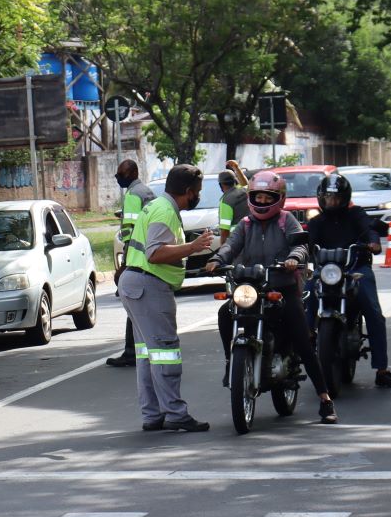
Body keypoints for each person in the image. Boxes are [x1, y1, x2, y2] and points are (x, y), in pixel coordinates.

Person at [204, 171, 338, 424]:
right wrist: (217, 259)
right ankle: (230, 361)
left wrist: (294, 258)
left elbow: (300, 245)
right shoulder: (245, 224)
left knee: (302, 340)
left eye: (269, 197)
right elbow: (230, 246)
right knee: (225, 313)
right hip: (251, 288)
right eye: (259, 197)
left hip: (282, 288)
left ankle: (325, 398)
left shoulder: (286, 221)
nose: (263, 202)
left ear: (280, 199)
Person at [120, 164, 215, 431]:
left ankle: (152, 415)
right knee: (165, 353)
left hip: (137, 284)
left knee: (147, 355)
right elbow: (155, 253)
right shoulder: (164, 211)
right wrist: (192, 247)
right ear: (188, 191)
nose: (197, 196)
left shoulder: (159, 206)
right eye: (197, 192)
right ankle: (175, 414)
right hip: (149, 286)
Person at [306, 173, 391, 389]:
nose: (331, 202)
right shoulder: (316, 221)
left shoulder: (356, 214)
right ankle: (304, 345)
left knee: (373, 311)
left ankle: (382, 370)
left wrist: (373, 242)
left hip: (356, 268)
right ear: (321, 198)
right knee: (306, 295)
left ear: (344, 198)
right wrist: (295, 253)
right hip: (326, 271)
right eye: (327, 198)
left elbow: (369, 229)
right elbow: (306, 243)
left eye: (335, 198)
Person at [107, 160, 157, 367]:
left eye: (121, 174)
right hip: (151, 255)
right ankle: (143, 349)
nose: (119, 178)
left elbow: (129, 231)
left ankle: (131, 352)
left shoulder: (133, 195)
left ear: (133, 173)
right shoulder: (148, 192)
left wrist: (125, 264)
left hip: (138, 258)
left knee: (133, 305)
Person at [218, 164, 252, 242]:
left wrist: (223, 250)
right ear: (235, 181)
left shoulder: (226, 201)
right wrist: (237, 168)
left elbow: (225, 231)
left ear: (221, 184)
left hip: (238, 241)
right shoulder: (245, 190)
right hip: (253, 235)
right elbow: (245, 183)